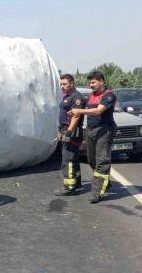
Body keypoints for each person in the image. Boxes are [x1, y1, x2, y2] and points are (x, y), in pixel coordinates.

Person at [68, 71, 117, 204]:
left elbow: (98, 111)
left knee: (102, 161)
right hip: (90, 130)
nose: (91, 85)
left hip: (103, 131)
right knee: (91, 160)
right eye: (90, 83)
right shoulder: (91, 96)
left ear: (102, 81)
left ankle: (97, 192)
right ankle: (104, 183)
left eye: (93, 82)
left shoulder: (108, 95)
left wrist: (79, 111)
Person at [54, 74, 85, 196]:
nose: (62, 86)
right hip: (65, 130)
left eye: (65, 84)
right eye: (61, 84)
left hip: (71, 133)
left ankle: (69, 186)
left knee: (68, 160)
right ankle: (76, 182)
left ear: (72, 83)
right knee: (73, 159)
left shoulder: (76, 97)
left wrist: (69, 131)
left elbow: (76, 116)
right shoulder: (67, 96)